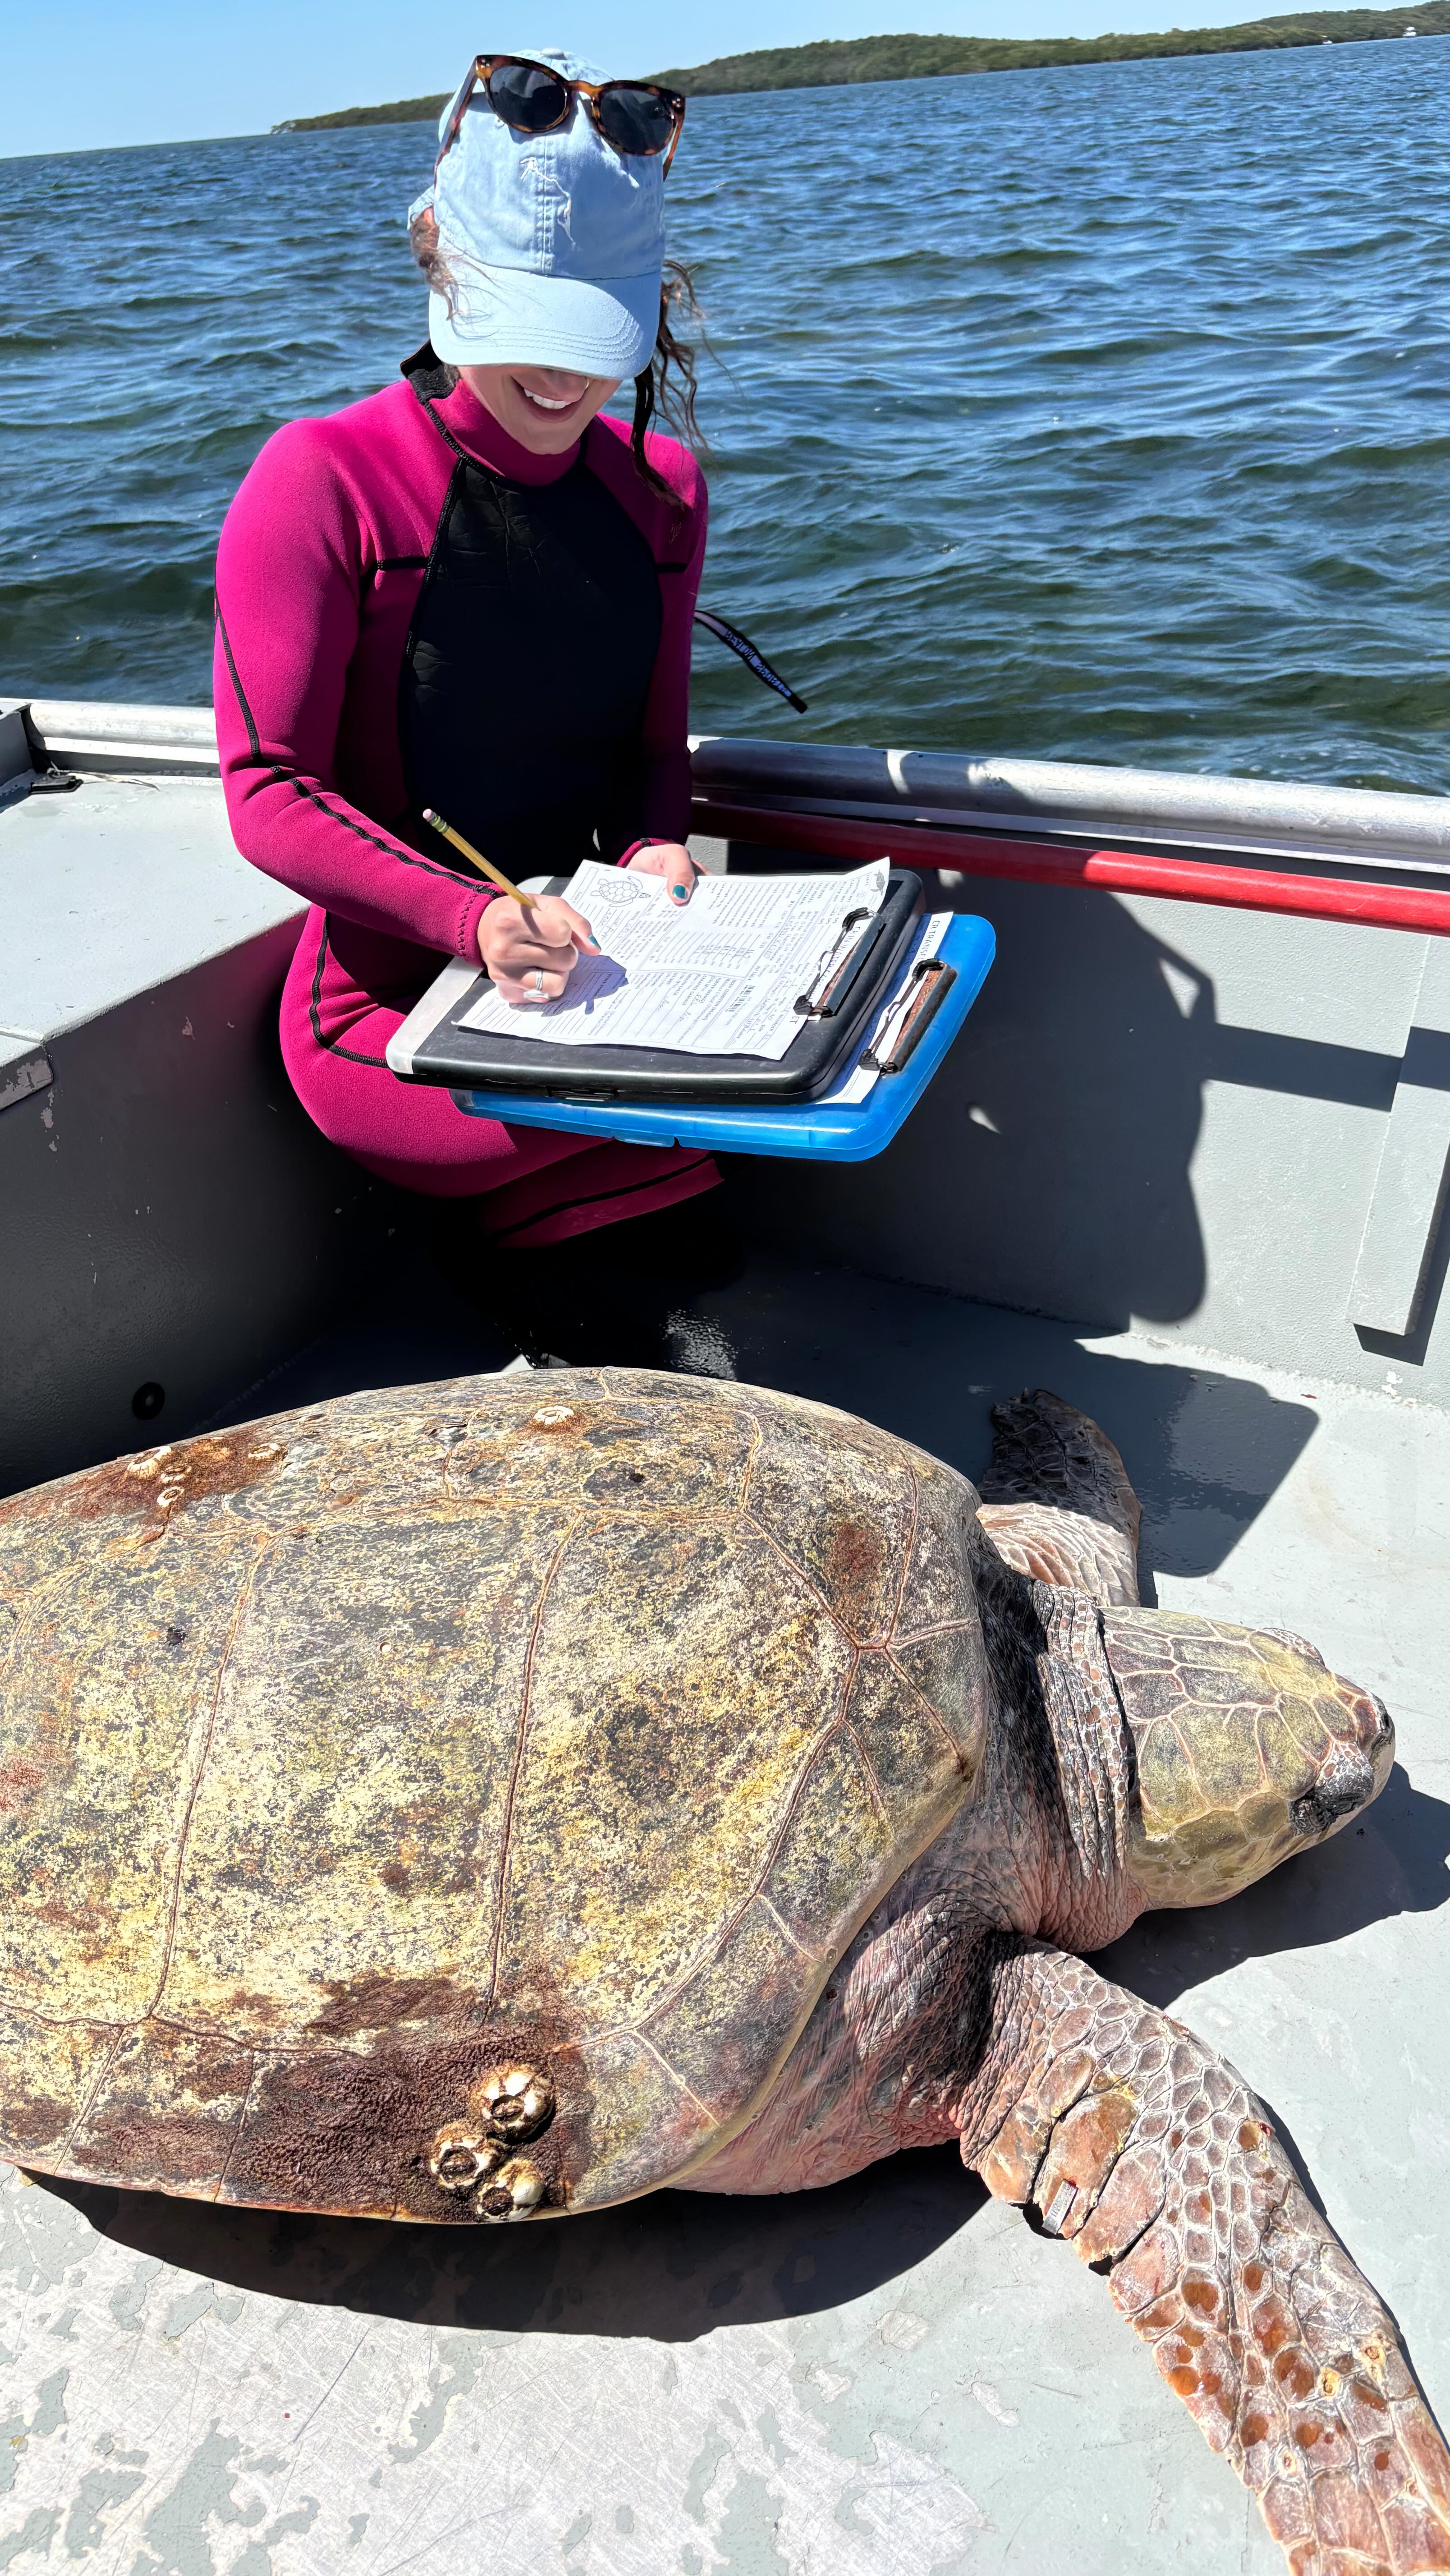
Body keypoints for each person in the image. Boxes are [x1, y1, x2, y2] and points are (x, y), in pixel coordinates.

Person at [213, 49, 734, 1363]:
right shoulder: (321, 478)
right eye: (522, 331)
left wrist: (655, 846)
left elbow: (652, 750)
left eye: (594, 339)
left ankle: (531, 1257)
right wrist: (472, 916)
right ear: (437, 256)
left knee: (715, 1215)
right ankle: (499, 1247)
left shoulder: (661, 485)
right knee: (662, 1255)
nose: (561, 385)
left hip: (596, 984)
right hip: (384, 1014)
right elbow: (267, 791)